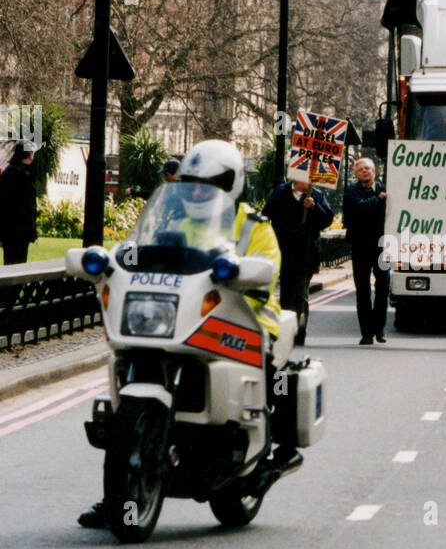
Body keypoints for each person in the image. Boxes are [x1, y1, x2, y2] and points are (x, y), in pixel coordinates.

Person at [79, 139, 283, 528]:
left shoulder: (256, 228)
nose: (201, 190)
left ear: (232, 182)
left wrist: (243, 275)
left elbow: (266, 273)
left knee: (273, 376)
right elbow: (143, 250)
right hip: (187, 320)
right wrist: (112, 261)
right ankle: (117, 499)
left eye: (211, 183)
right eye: (193, 182)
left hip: (246, 321)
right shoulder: (176, 223)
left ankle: (264, 449)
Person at [264, 177, 333, 345]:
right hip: (285, 251)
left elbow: (327, 220)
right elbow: (266, 215)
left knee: (300, 294)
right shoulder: (281, 192)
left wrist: (314, 208)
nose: (310, 182)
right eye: (306, 178)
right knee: (286, 294)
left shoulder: (317, 195)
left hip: (306, 253)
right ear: (296, 177)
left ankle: (299, 333)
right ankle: (286, 330)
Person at [343, 156, 388, 346]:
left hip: (383, 245)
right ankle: (366, 333)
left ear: (374, 171)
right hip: (361, 245)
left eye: (368, 168)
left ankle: (379, 329)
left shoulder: (386, 188)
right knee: (362, 290)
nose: (365, 171)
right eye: (361, 169)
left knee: (383, 288)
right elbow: (358, 210)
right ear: (356, 173)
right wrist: (377, 200)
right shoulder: (351, 191)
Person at [0, 141, 38, 265]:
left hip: (9, 228)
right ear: (29, 154)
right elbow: (27, 204)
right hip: (19, 228)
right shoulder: (22, 174)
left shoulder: (9, 172)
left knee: (10, 262)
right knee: (18, 263)